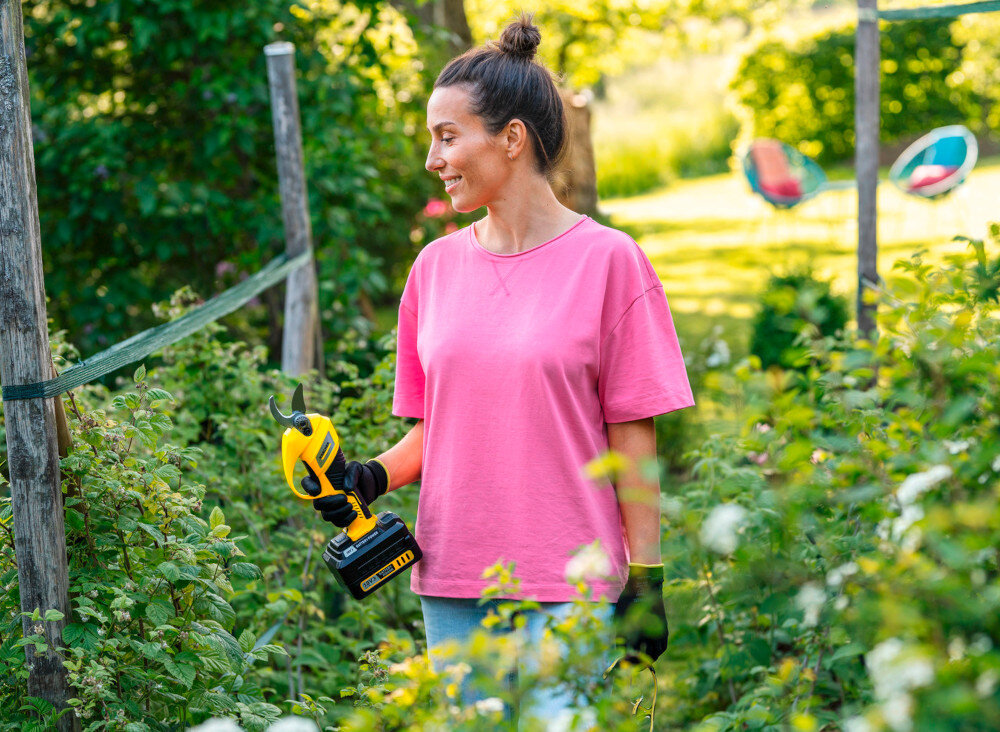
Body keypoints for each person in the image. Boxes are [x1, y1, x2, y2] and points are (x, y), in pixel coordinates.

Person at [302, 13, 695, 729]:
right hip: (453, 578)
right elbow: (441, 431)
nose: (432, 158)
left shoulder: (611, 262)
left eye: (447, 137)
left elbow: (633, 437)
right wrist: (367, 475)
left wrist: (649, 577)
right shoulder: (434, 270)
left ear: (512, 138)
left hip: (571, 581)